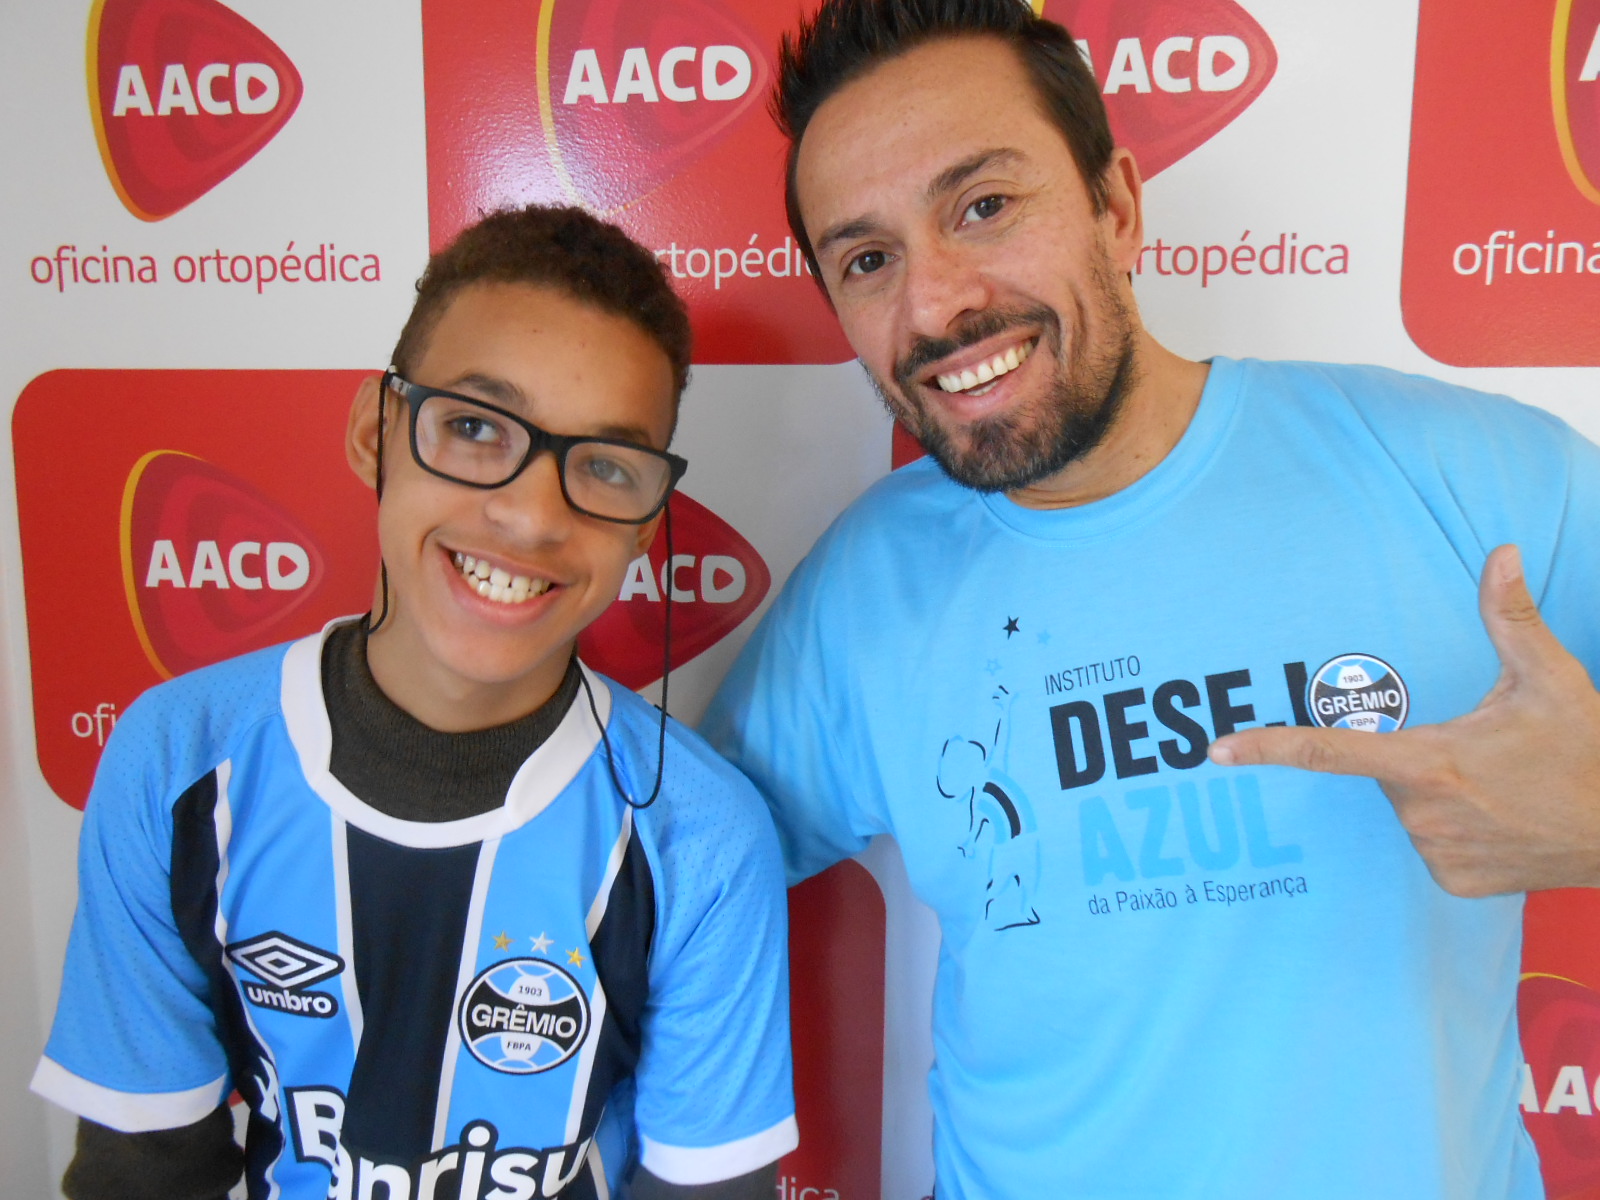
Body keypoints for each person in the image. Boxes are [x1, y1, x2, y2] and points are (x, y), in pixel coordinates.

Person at [700, 1, 1600, 1196]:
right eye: (869, 260)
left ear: (1116, 206)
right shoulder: (863, 592)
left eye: (983, 206)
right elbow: (657, 875)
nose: (935, 306)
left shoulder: (1468, 476)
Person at [32, 204, 797, 1200]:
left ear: (646, 523)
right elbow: (142, 1174)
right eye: (475, 427)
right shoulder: (179, 762)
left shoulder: (699, 837)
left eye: (604, 466)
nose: (529, 515)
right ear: (374, 433)